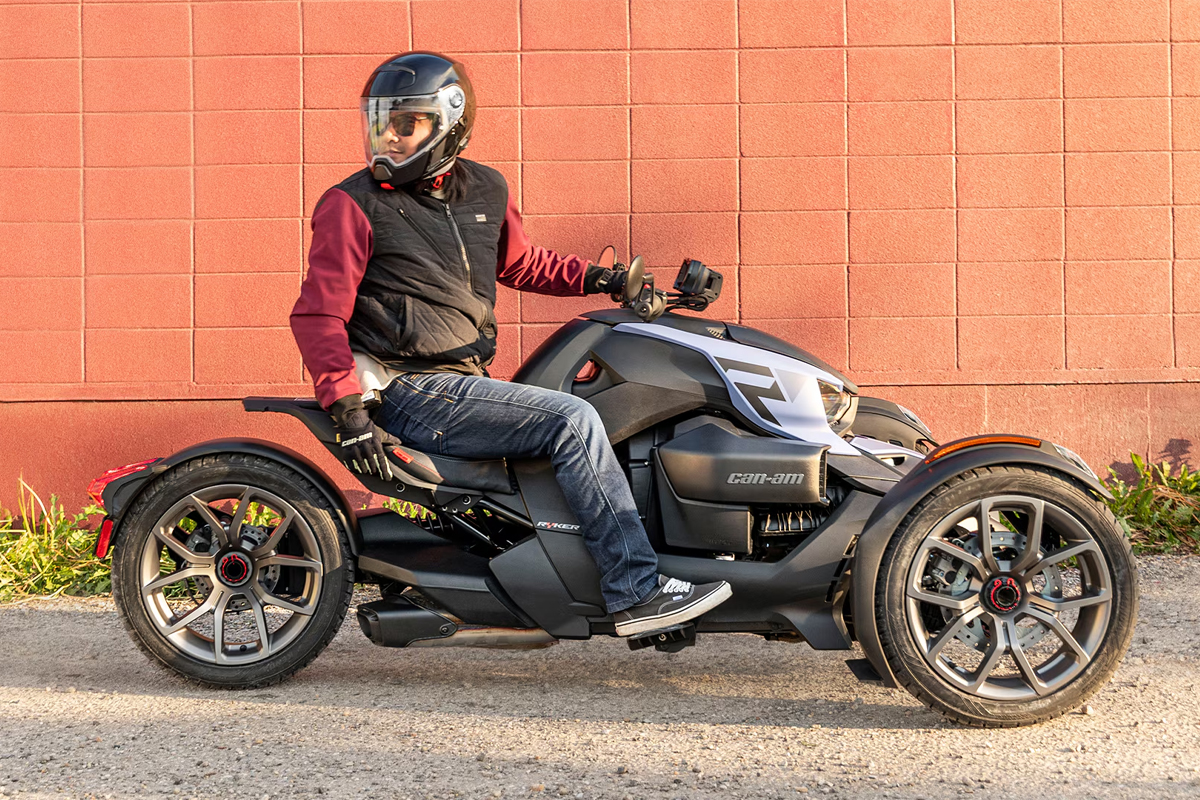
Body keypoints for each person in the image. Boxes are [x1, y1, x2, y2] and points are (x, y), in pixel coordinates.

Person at [289, 51, 731, 637]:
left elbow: (522, 263)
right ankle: (635, 591)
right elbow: (317, 314)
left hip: (465, 381)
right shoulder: (350, 204)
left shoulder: (486, 189)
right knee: (571, 421)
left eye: (405, 122)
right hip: (410, 387)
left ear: (450, 121)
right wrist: (347, 410)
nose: (387, 137)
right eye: (380, 122)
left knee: (600, 413)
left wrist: (599, 279)